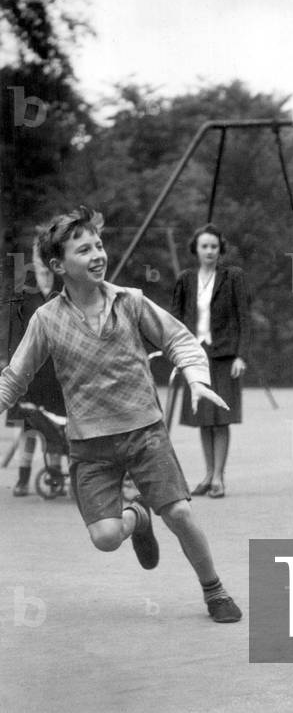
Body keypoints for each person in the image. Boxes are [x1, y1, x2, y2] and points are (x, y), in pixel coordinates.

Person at [0, 206, 242, 623]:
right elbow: (15, 377)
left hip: (145, 433)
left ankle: (214, 590)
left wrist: (198, 377)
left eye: (98, 245)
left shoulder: (131, 301)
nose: (97, 254)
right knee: (107, 538)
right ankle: (137, 517)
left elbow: (179, 341)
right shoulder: (46, 319)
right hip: (90, 448)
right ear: (59, 266)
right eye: (83, 250)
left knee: (182, 513)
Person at [172, 223, 250, 499]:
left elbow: (244, 318)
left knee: (221, 418)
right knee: (205, 419)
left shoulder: (233, 277)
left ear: (220, 249)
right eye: (204, 246)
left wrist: (240, 355)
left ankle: (219, 476)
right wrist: (178, 353)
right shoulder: (185, 279)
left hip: (224, 356)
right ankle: (207, 474)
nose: (209, 251)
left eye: (214, 247)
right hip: (196, 356)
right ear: (196, 249)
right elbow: (176, 319)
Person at [5, 244, 66, 496]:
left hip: (56, 370)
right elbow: (14, 330)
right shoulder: (23, 288)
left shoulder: (63, 286)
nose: (39, 258)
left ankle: (54, 477)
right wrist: (12, 363)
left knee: (56, 424)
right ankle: (23, 478)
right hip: (31, 368)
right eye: (35, 251)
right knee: (28, 426)